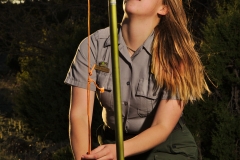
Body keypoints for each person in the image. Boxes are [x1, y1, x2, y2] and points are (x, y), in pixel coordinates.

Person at [64, 0, 210, 159]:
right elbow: (80, 116)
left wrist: (119, 151)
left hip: (166, 147)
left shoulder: (175, 55)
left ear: (163, 8)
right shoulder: (92, 46)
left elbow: (163, 126)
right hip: (112, 142)